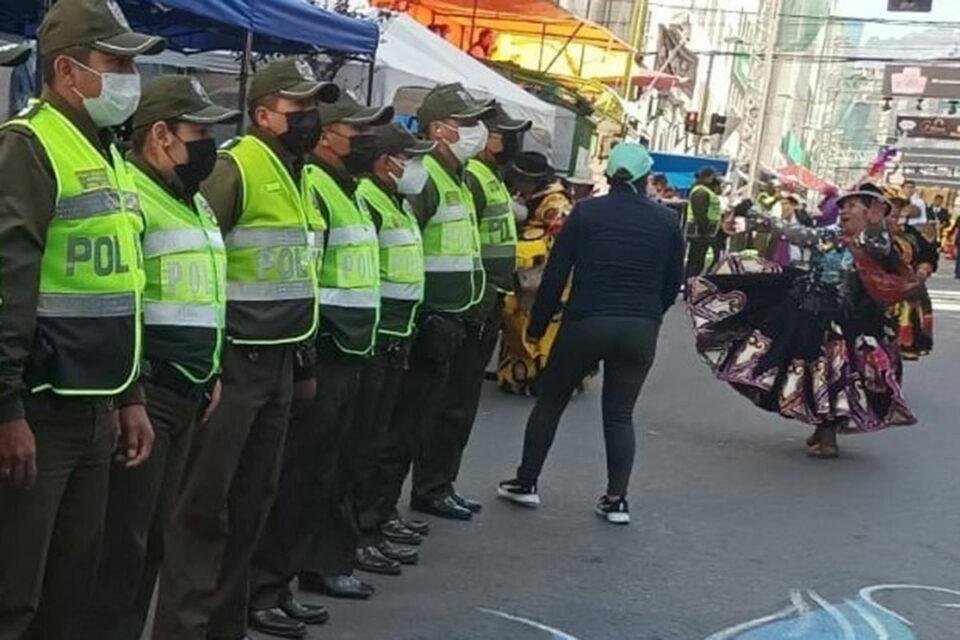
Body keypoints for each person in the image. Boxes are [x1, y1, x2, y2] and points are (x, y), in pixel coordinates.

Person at [153, 58, 338, 640]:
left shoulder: (295, 170)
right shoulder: (237, 168)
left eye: (313, 107)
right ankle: (185, 629)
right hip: (235, 365)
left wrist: (302, 363)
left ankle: (221, 628)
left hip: (279, 362)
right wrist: (214, 365)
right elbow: (204, 263)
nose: (309, 118)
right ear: (262, 114)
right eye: (297, 108)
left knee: (252, 506)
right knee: (204, 512)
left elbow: (297, 277)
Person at [0, 0, 164, 636]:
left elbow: (120, 291)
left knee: (72, 588)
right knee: (14, 596)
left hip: (96, 409)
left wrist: (131, 396)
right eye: (116, 62)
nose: (130, 77)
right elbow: (7, 288)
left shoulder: (105, 152)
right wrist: (7, 410)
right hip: (40, 412)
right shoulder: (29, 147)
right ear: (68, 72)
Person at [80, 75, 237, 640]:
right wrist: (134, 396)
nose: (210, 145)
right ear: (162, 135)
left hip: (191, 388)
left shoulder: (189, 198)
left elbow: (200, 294)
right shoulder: (132, 194)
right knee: (122, 546)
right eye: (200, 131)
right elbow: (125, 302)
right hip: (148, 394)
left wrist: (212, 368)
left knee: (150, 540)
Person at [247, 93, 394, 634]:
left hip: (348, 350)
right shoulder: (312, 184)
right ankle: (265, 586)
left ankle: (283, 579)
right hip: (320, 351)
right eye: (355, 129)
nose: (365, 139)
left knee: (321, 474)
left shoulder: (346, 190)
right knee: (292, 478)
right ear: (327, 134)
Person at [497, 143, 682, 525]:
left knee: (550, 402)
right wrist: (651, 315)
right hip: (640, 328)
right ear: (646, 177)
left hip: (586, 322)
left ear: (610, 176)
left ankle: (526, 482)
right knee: (619, 414)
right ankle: (617, 500)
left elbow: (556, 274)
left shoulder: (586, 213)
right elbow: (672, 282)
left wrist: (537, 324)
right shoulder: (666, 221)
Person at [686, 184, 917, 459]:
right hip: (811, 312)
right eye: (841, 206)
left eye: (852, 206)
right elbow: (795, 233)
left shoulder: (873, 242)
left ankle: (828, 437)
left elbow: (880, 247)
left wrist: (877, 224)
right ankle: (821, 429)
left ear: (870, 212)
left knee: (834, 377)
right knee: (812, 373)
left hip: (847, 323)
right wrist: (757, 215)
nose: (843, 210)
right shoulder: (830, 235)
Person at [387, 82, 494, 521]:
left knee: (429, 417)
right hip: (427, 321)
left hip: (455, 320)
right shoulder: (426, 177)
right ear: (439, 129)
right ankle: (382, 514)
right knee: (401, 427)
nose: (478, 131)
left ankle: (414, 498)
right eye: (467, 123)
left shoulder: (462, 178)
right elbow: (408, 247)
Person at [351, 123, 435, 569]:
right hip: (376, 340)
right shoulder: (370, 199)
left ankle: (374, 522)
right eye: (411, 157)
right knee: (367, 446)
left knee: (386, 439)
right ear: (387, 162)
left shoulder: (395, 202)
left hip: (397, 338)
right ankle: (361, 530)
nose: (417, 167)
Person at [497, 151, 577, 396]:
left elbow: (562, 237)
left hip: (541, 273)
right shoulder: (531, 196)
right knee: (517, 320)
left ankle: (537, 374)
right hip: (525, 273)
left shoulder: (555, 201)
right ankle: (520, 373)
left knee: (537, 326)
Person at [889, 202, 937, 361]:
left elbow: (928, 255)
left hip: (909, 288)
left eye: (898, 215)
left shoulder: (911, 235)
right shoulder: (870, 234)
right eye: (892, 215)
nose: (895, 219)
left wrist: (923, 270)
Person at [684, 166, 724, 281]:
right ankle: (689, 285)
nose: (714, 179)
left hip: (702, 233)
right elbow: (700, 215)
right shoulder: (700, 192)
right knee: (696, 263)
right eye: (712, 176)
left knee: (698, 262)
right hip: (699, 233)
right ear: (706, 177)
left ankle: (690, 285)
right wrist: (706, 233)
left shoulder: (705, 191)